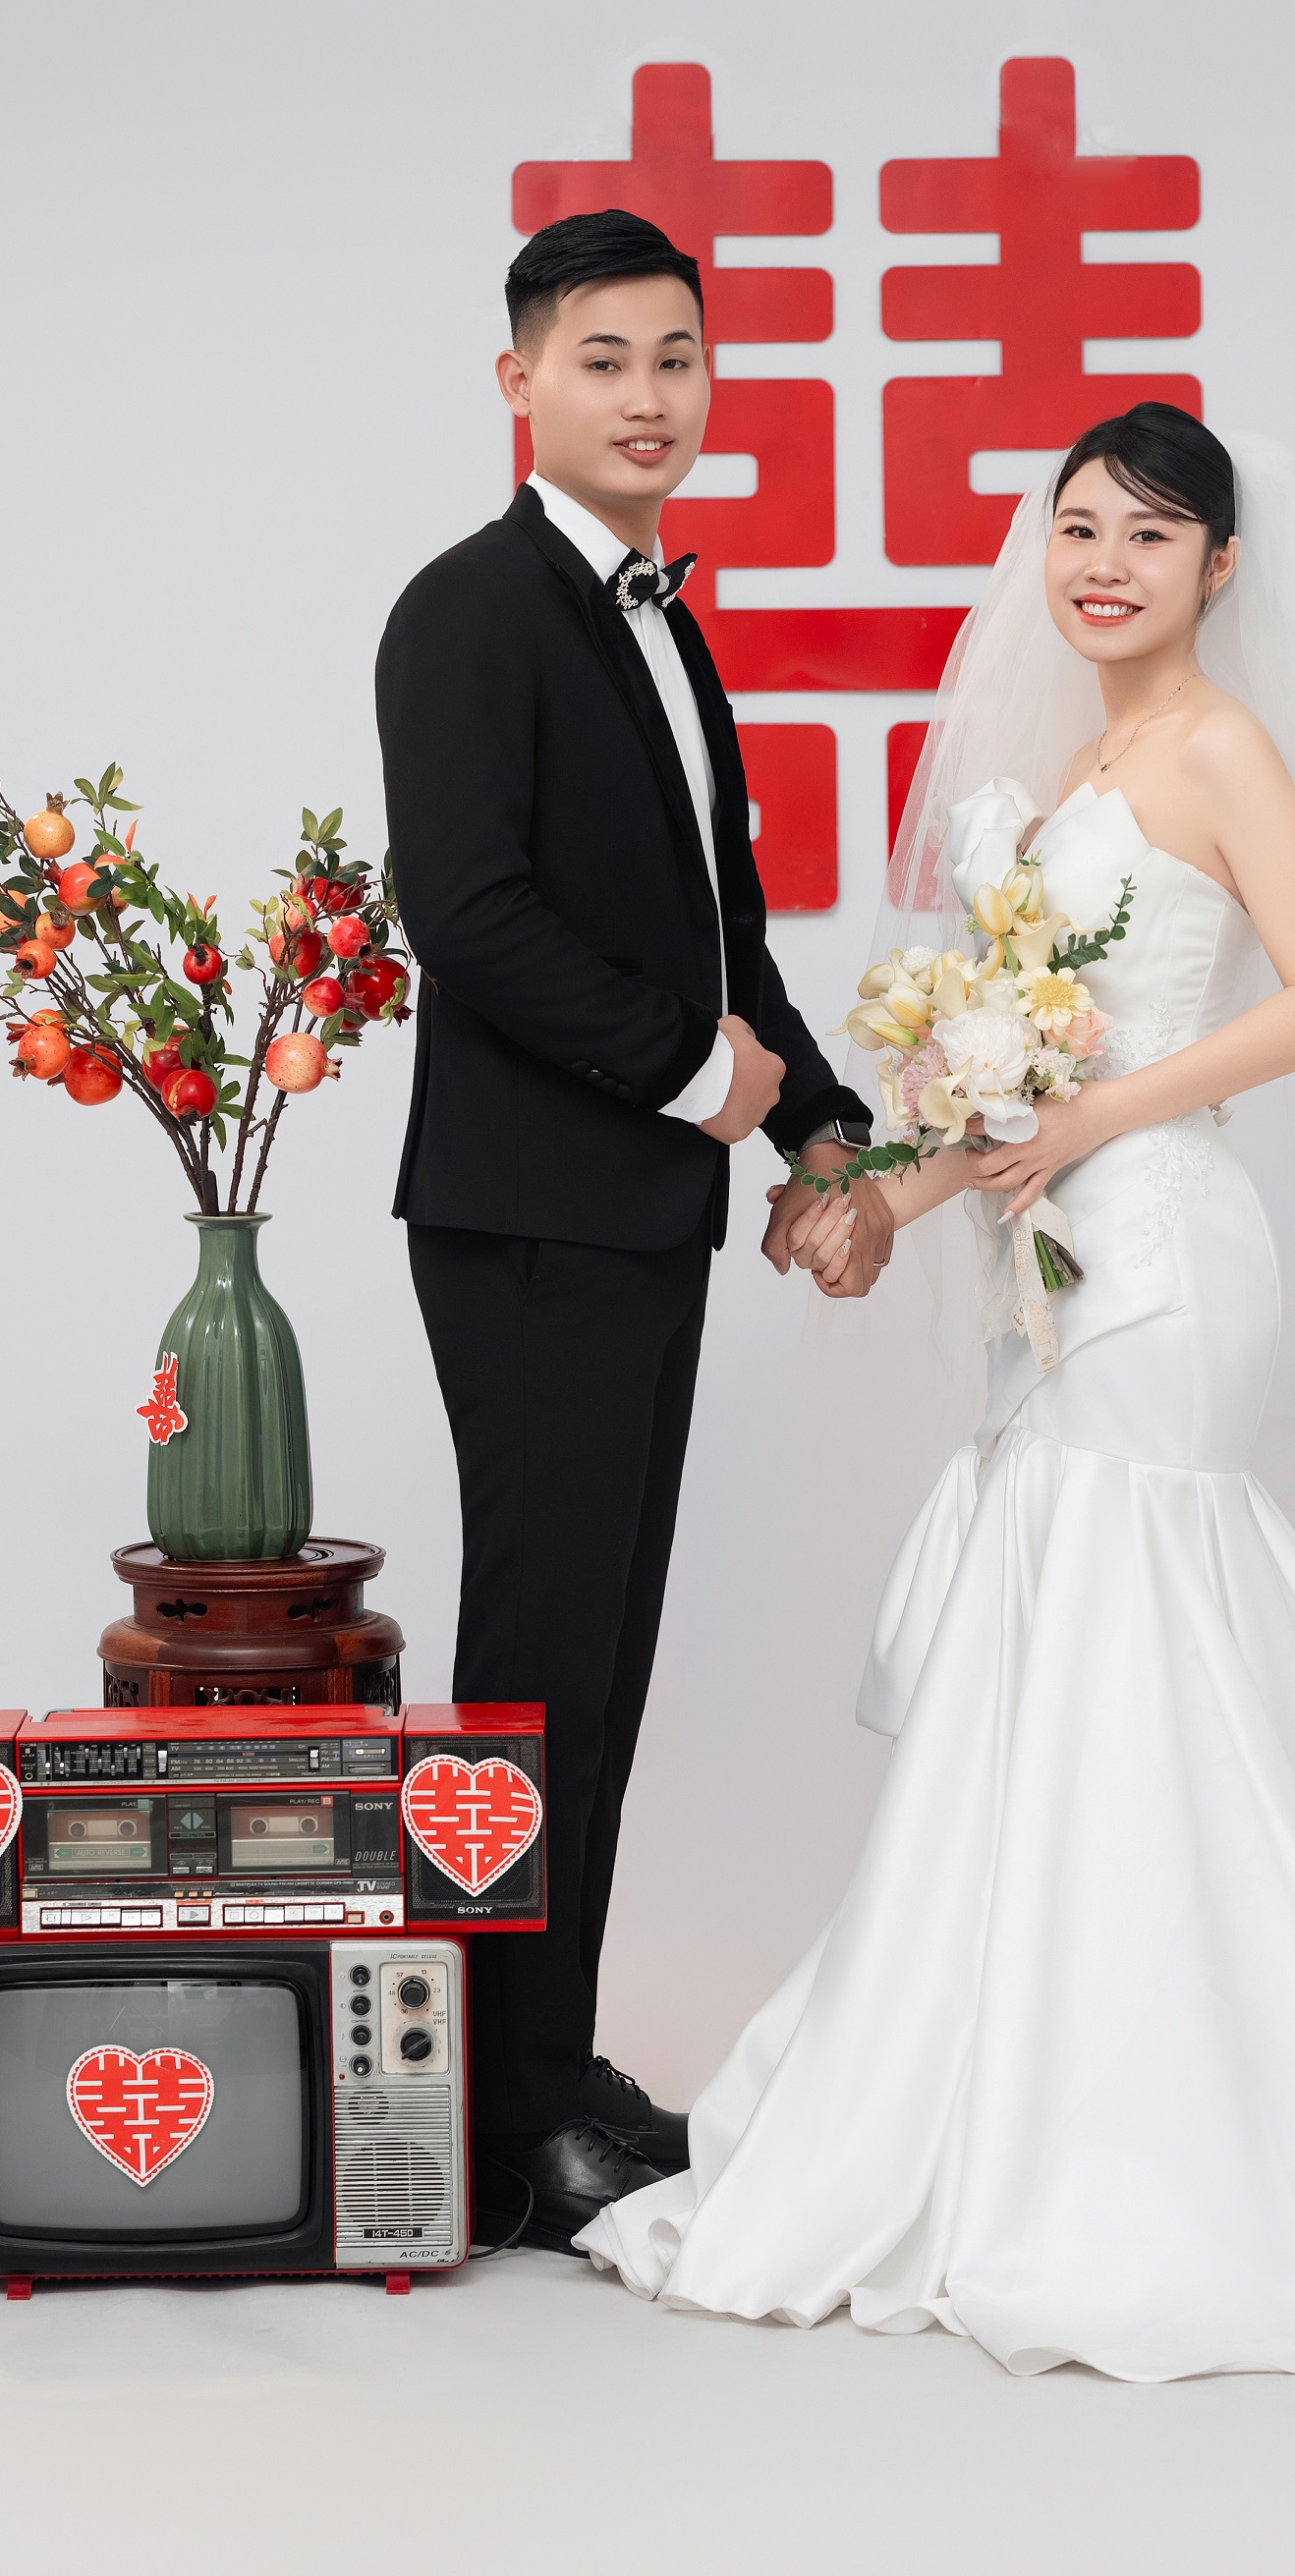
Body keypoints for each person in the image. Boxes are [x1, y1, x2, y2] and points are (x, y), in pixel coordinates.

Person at [577, 404, 1295, 2376]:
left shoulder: (1213, 748)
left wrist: (1101, 1113)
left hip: (1166, 1251)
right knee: (1067, 1644)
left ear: (1219, 570)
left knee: (1140, 1622)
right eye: (1078, 527)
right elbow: (1015, 1087)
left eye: (1150, 535)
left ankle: (1168, 2128)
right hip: (1055, 1253)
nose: (1102, 565)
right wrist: (877, 1195)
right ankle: (1042, 2087)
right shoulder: (1072, 769)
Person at [376, 209, 892, 2252]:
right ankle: (500, 2120)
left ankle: (544, 2061)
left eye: (676, 355)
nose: (647, 394)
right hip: (527, 1214)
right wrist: (699, 1078)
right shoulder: (465, 609)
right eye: (602, 358)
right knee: (533, 1678)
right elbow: (467, 913)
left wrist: (822, 1129)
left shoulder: (666, 621)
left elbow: (724, 937)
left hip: (631, 1214)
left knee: (594, 1671)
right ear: (517, 382)